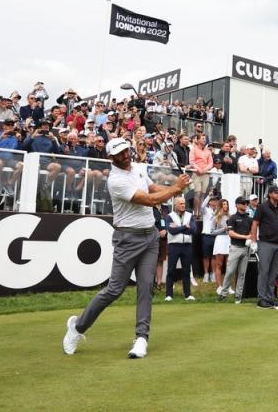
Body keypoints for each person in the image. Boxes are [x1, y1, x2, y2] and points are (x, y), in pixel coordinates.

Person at [63, 137, 191, 358]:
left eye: (126, 151)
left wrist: (175, 189)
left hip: (150, 237)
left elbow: (153, 188)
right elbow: (150, 200)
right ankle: (78, 327)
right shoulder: (115, 181)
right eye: (119, 154)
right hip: (127, 239)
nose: (124, 156)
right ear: (110, 158)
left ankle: (142, 338)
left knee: (145, 288)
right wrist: (175, 189)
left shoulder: (139, 168)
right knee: (114, 290)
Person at [251, 185, 278, 310]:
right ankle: (262, 299)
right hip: (265, 243)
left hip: (277, 244)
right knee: (264, 272)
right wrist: (253, 241)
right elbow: (255, 223)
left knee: (273, 274)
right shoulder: (262, 207)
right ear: (270, 194)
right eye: (277, 192)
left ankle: (270, 298)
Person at [219, 196, 253, 303]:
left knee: (242, 274)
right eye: (243, 203)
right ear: (237, 205)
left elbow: (253, 232)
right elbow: (231, 233)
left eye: (246, 203)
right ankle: (223, 294)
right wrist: (245, 237)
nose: (245, 205)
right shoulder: (232, 218)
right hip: (235, 248)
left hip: (246, 249)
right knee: (230, 272)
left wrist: (251, 237)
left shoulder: (249, 219)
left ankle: (238, 297)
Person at [164, 197, 197, 302]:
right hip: (174, 245)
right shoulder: (170, 216)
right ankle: (169, 294)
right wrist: (184, 227)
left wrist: (178, 227)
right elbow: (171, 231)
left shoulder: (190, 215)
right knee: (171, 270)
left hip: (187, 245)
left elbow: (193, 230)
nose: (183, 205)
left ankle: (188, 295)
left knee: (186, 271)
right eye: (181, 203)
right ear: (176, 205)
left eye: (184, 203)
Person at [211, 199, 231, 290]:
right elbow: (212, 232)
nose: (225, 206)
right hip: (220, 240)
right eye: (224, 204)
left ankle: (228, 286)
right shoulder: (216, 218)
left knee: (229, 265)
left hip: (229, 240)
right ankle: (219, 286)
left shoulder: (230, 217)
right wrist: (223, 229)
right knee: (219, 264)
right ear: (220, 206)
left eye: (226, 204)